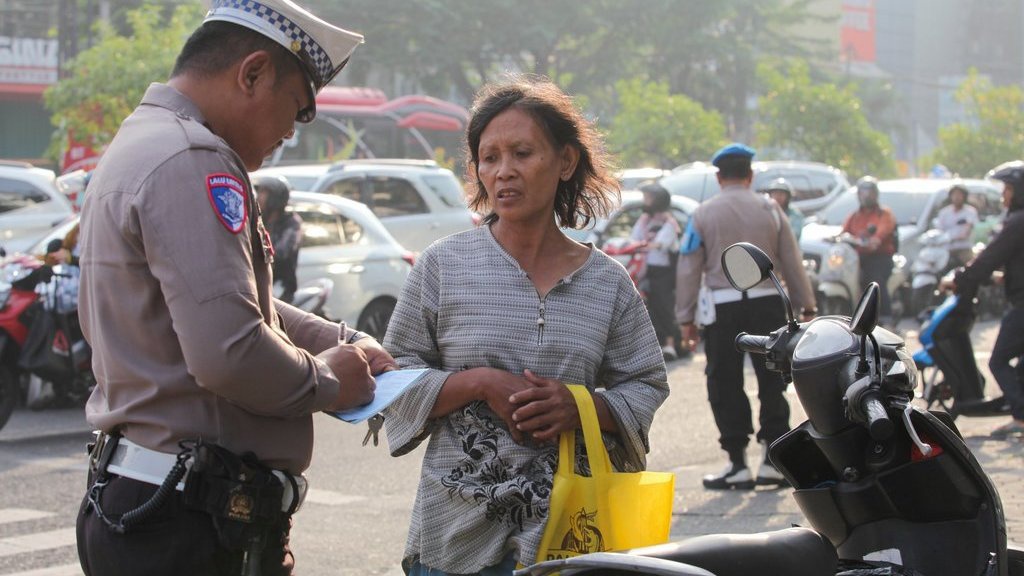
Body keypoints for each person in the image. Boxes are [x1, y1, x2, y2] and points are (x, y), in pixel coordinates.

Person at [74, 2, 395, 575]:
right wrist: (328, 381)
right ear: (252, 74)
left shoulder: (145, 141)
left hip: (158, 504)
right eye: (294, 112)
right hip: (187, 521)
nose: (286, 138)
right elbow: (229, 351)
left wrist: (341, 337)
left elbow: (237, 303)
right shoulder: (194, 156)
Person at [381, 76, 670, 574]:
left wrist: (582, 406)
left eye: (522, 153)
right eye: (489, 158)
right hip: (454, 534)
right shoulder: (443, 267)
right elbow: (392, 377)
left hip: (570, 534)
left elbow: (645, 382)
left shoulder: (607, 282)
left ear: (565, 161)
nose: (503, 172)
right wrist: (478, 383)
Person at [676, 143, 816, 490]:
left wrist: (685, 318)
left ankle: (737, 463)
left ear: (719, 176)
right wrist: (806, 303)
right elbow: (791, 260)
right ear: (750, 175)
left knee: (724, 381)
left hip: (723, 307)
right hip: (768, 303)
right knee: (773, 380)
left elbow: (689, 266)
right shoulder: (771, 209)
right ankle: (773, 459)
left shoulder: (703, 213)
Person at [945, 161, 1024, 439]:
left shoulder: (1017, 222)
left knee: (999, 360)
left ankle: (1020, 418)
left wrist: (960, 278)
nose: (1004, 196)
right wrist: (1006, 277)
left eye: (1009, 189)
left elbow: (989, 257)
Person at [631, 182, 681, 361]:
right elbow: (634, 238)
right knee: (648, 306)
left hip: (663, 271)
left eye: (648, 198)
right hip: (646, 270)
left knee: (664, 306)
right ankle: (656, 344)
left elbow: (662, 243)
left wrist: (645, 244)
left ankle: (670, 344)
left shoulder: (668, 222)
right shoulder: (644, 220)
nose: (645, 202)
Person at [842, 176, 898, 320]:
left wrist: (875, 240)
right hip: (857, 258)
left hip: (880, 257)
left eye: (870, 192)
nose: (866, 196)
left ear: (876, 194)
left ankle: (886, 316)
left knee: (874, 279)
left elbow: (883, 230)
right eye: (863, 192)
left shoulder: (884, 213)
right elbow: (843, 233)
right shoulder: (854, 216)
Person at [254, 174, 303, 303]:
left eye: (264, 192)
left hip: (281, 288)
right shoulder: (258, 220)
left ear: (276, 197)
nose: (259, 196)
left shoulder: (291, 223)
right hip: (259, 285)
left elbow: (281, 252)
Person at [935, 182, 979, 269]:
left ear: (964, 197)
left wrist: (955, 237)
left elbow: (967, 229)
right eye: (954, 194)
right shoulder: (944, 212)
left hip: (963, 249)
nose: (956, 197)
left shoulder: (970, 211)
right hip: (947, 249)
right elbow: (940, 230)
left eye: (959, 194)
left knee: (971, 268)